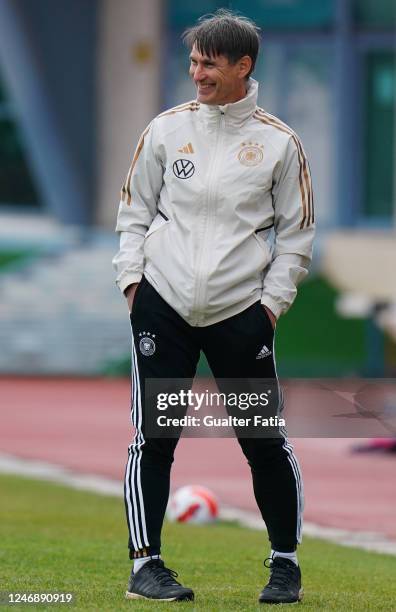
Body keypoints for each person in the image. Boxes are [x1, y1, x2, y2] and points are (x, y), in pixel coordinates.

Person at [112, 9, 314, 605]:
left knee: (263, 440)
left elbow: (297, 236)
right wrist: (133, 286)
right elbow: (134, 212)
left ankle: (285, 566)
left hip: (240, 315)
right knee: (155, 437)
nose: (196, 72)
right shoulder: (166, 130)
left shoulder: (280, 143)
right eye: (194, 60)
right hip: (163, 309)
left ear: (243, 66)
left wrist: (270, 306)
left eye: (209, 62)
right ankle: (146, 566)